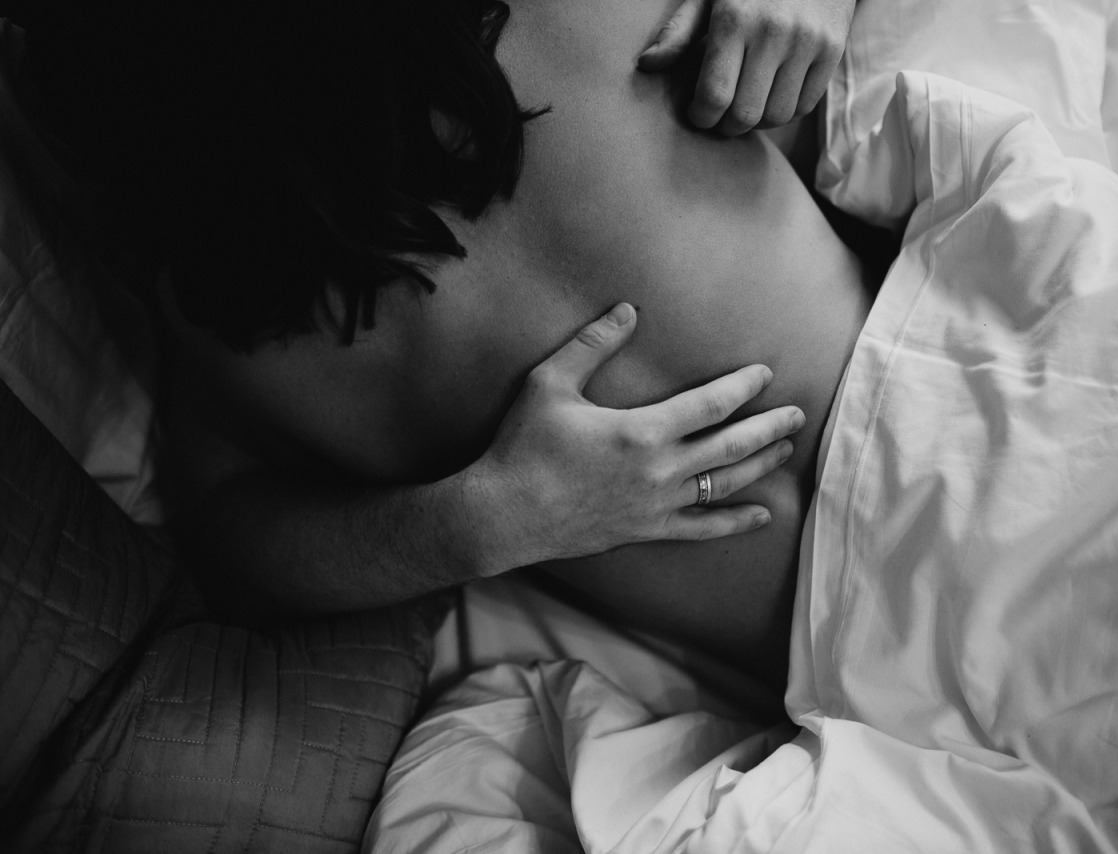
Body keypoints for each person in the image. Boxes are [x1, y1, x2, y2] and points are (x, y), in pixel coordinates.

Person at [18, 0, 870, 692]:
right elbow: (226, 542)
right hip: (861, 664)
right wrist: (485, 518)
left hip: (927, 427)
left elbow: (228, 533)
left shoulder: (232, 320)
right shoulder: (235, 322)